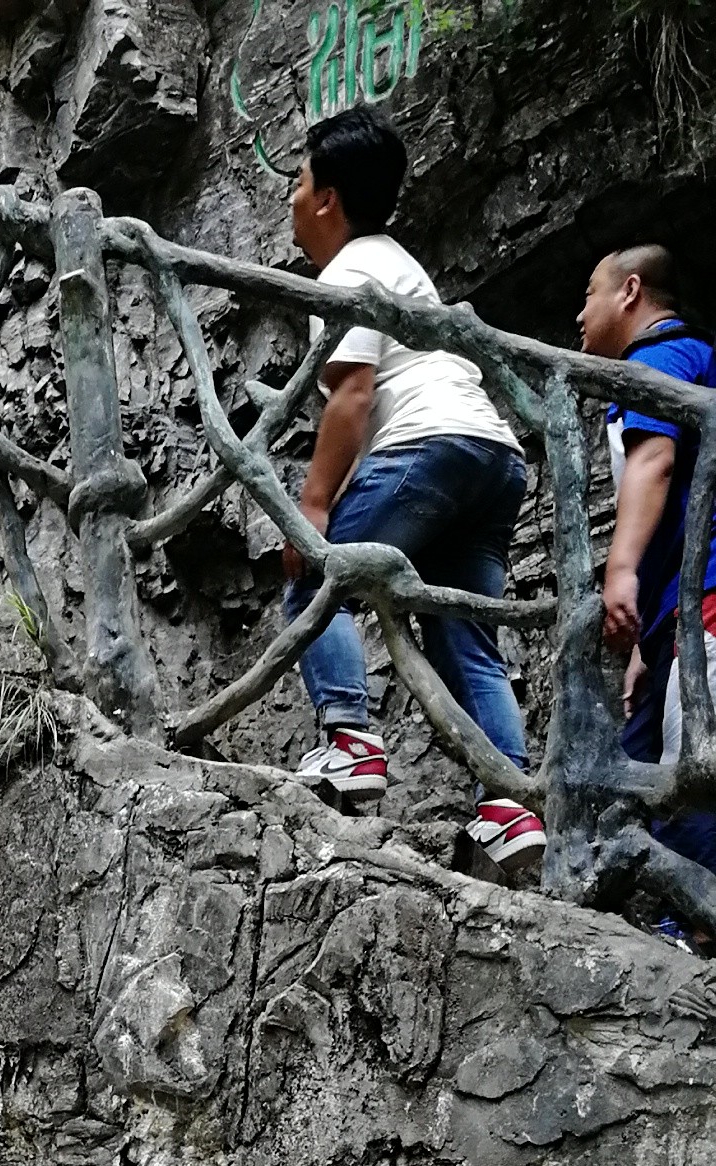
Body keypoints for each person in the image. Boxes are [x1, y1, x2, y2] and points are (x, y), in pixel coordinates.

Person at [281, 106, 543, 878]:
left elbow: (354, 394)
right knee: (463, 635)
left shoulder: (350, 270)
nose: (293, 199)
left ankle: (351, 742)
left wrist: (316, 506)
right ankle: (508, 802)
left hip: (428, 447)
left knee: (317, 581)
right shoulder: (402, 263)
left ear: (327, 198)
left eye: (299, 182)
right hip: (493, 456)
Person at [578, 243, 716, 892]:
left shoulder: (660, 356)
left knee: (695, 769)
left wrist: (620, 569)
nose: (580, 314)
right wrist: (643, 644)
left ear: (629, 292)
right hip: (676, 612)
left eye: (589, 294)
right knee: (641, 768)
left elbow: (655, 460)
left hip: (708, 596)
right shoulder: (681, 360)